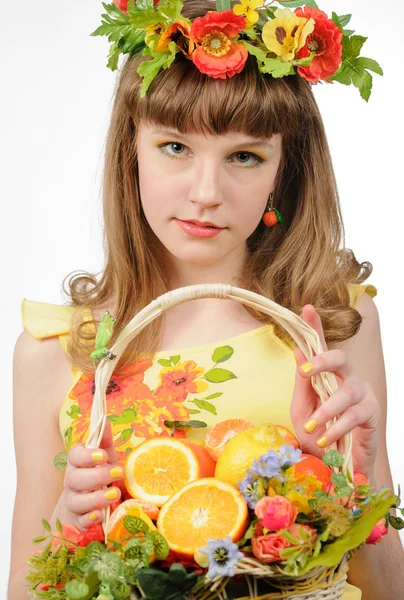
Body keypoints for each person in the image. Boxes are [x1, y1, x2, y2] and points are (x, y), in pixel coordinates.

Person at [8, 0, 404, 598]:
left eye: (244, 156)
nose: (206, 192)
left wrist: (357, 476)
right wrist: (70, 525)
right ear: (130, 154)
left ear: (283, 172)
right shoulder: (58, 351)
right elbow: (25, 588)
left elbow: (388, 589)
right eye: (174, 147)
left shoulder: (332, 323)